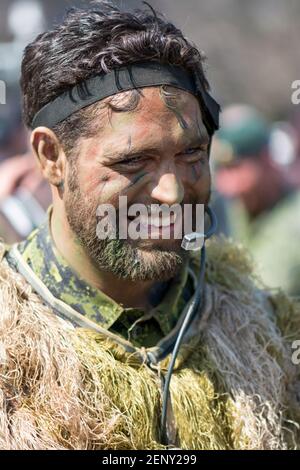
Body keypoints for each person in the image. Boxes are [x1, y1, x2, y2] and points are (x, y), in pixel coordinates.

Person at [0, 2, 299, 450]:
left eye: (191, 155)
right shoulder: (11, 348)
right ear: (50, 157)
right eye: (133, 161)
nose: (172, 193)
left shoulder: (268, 335)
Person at [213, 104, 300, 295]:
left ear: (267, 159)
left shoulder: (294, 218)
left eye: (236, 168)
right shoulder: (237, 208)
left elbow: (263, 292)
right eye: (222, 170)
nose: (228, 186)